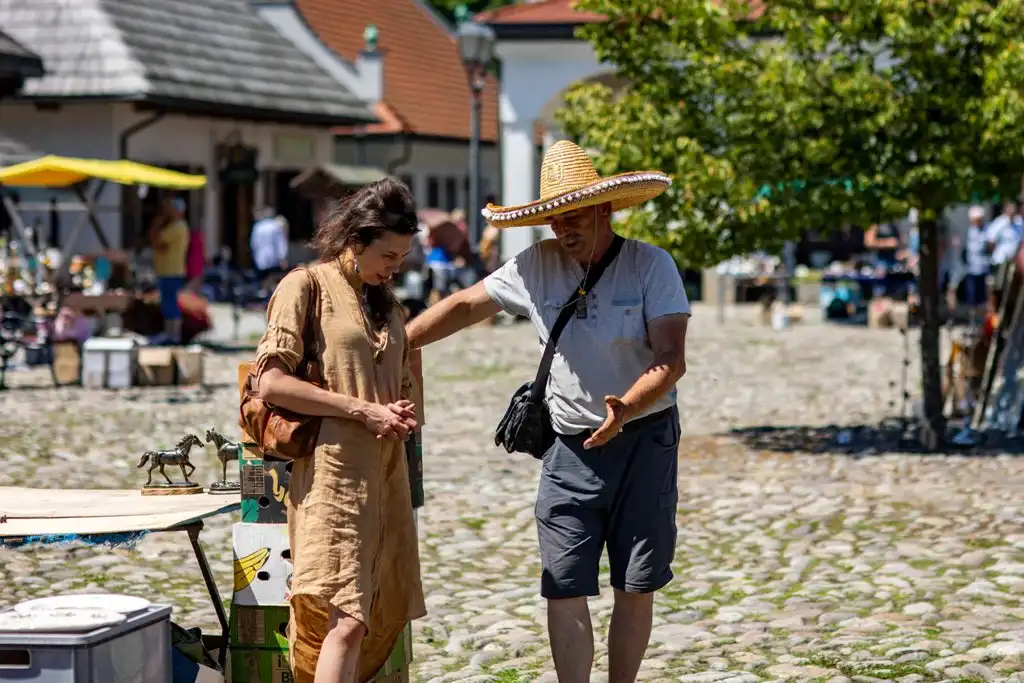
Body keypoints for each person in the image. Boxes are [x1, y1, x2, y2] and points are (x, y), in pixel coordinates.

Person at [407, 141, 690, 683]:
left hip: (644, 442)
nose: (565, 229)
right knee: (563, 582)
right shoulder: (535, 265)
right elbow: (467, 305)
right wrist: (401, 342)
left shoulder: (651, 266)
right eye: (555, 219)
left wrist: (625, 408)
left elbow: (671, 359)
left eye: (576, 216)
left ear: (606, 209)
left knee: (635, 582)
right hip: (568, 448)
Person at [252, 178, 425, 683]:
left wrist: (398, 411)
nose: (396, 266)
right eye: (388, 254)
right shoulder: (305, 286)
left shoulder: (388, 305)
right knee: (346, 616)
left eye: (402, 256)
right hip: (333, 476)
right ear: (356, 239)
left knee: (366, 617)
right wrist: (361, 410)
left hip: (386, 477)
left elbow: (398, 382)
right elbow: (271, 384)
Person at [149, 196, 190, 344]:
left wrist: (158, 222)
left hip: (171, 271)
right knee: (168, 302)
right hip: (169, 270)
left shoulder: (177, 227)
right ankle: (170, 333)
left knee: (170, 303)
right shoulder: (177, 226)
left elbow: (157, 241)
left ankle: (172, 335)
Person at [251, 206, 289, 283]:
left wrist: (255, 257)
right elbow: (280, 243)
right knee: (273, 283)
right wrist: (282, 257)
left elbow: (253, 245)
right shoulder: (275, 226)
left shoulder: (258, 227)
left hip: (260, 261)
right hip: (274, 260)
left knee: (262, 283)